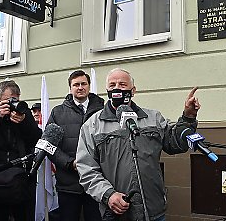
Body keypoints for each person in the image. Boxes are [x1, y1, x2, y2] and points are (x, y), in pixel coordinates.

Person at [76, 68, 201, 221]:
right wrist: (108, 194)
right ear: (107, 90)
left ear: (133, 90)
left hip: (153, 209)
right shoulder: (92, 126)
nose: (117, 88)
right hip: (118, 213)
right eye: (112, 85)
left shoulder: (153, 118)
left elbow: (175, 143)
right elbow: (86, 169)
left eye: (122, 84)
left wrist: (188, 117)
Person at [0, 80, 42, 221]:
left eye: (15, 100)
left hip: (20, 180)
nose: (12, 104)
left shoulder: (23, 113)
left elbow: (35, 139)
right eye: (7, 101)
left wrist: (24, 122)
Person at [47, 70, 104, 221]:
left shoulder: (103, 110)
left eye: (83, 84)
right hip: (69, 184)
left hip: (97, 182)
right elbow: (48, 145)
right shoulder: (58, 113)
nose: (80, 87)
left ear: (89, 86)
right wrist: (69, 163)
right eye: (76, 84)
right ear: (70, 88)